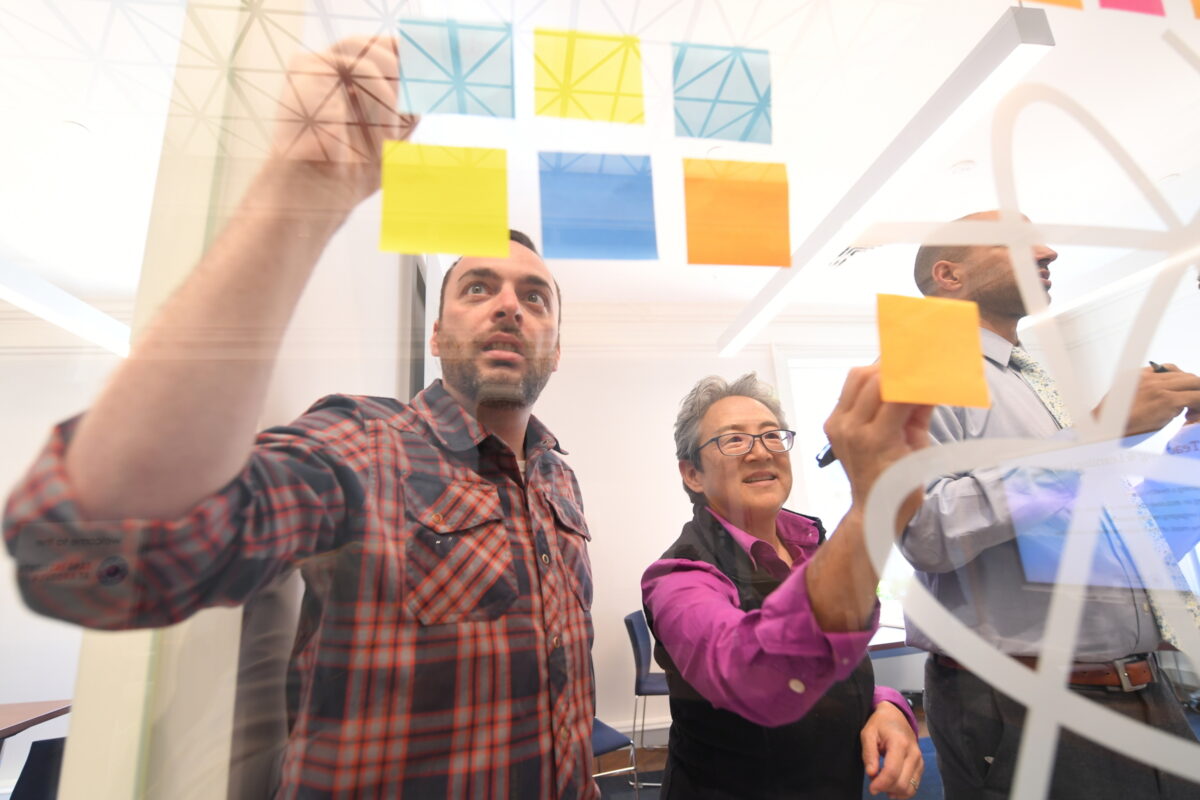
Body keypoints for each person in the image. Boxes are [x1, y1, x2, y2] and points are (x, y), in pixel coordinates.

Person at [4, 37, 597, 799]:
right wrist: (300, 196)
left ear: (556, 342)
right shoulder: (362, 447)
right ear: (437, 334)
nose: (511, 304)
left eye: (535, 297)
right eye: (478, 288)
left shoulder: (560, 480)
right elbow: (85, 558)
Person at [900, 210, 1200, 799]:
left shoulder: (1032, 384)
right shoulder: (919, 370)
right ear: (948, 275)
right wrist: (1093, 435)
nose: (1048, 252)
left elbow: (1124, 545)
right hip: (1025, 706)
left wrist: (1191, 454)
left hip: (1141, 689)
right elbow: (926, 531)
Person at [642, 371, 930, 799]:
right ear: (692, 475)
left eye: (771, 436)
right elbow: (756, 679)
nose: (760, 453)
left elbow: (840, 664)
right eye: (733, 440)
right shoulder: (678, 577)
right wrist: (871, 509)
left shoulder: (811, 546)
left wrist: (886, 704)